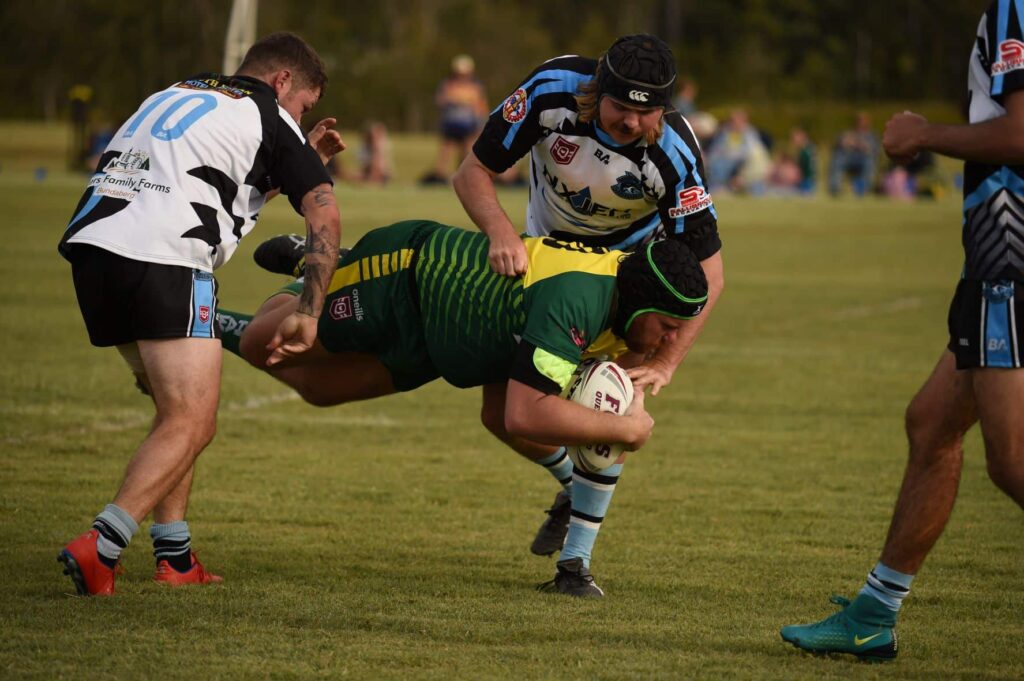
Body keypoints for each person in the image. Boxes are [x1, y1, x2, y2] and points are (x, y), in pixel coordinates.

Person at [219, 219, 709, 597]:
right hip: (403, 278)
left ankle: (573, 565)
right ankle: (310, 270)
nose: (671, 342)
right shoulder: (579, 299)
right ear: (642, 304)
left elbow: (585, 430)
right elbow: (528, 415)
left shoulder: (630, 322)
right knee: (267, 341)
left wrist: (576, 566)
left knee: (319, 391)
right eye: (668, 326)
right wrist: (628, 430)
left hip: (446, 340)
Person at [55, 32, 344, 596]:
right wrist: (309, 312)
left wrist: (297, 154)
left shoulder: (177, 90)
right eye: (303, 104)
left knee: (173, 411)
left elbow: (216, 172)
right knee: (193, 419)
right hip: (163, 259)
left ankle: (176, 556)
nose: (299, 115)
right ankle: (102, 546)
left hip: (93, 251)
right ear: (282, 81)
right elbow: (325, 219)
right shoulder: (270, 114)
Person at [781, 0, 1024, 661]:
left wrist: (923, 134)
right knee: (932, 424)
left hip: (1011, 258)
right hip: (993, 260)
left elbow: (1020, 134)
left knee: (1012, 460)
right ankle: (874, 612)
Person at [450, 34, 723, 593]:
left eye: (646, 113)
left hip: (628, 284)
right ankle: (572, 484)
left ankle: (574, 567)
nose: (631, 123)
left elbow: (710, 272)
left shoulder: (673, 152)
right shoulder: (551, 92)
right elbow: (471, 171)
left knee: (610, 400)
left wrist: (666, 361)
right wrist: (501, 232)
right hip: (542, 259)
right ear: (598, 89)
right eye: (622, 107)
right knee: (501, 413)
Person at [425, 54, 488, 183]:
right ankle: (439, 178)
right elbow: (440, 101)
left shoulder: (475, 87)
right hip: (451, 124)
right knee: (446, 152)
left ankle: (463, 178)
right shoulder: (448, 84)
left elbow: (481, 106)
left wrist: (480, 122)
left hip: (468, 125)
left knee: (466, 152)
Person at [705, 108, 771, 194]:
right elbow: (715, 151)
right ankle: (719, 188)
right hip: (725, 163)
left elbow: (751, 152)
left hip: (744, 165)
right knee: (717, 164)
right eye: (732, 120)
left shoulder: (749, 133)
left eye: (737, 120)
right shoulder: (725, 133)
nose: (734, 123)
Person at [828, 111, 879, 196]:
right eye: (859, 120)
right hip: (848, 159)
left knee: (869, 162)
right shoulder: (848, 133)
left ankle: (862, 190)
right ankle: (834, 188)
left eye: (863, 120)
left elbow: (874, 150)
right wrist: (846, 142)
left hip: (863, 161)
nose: (861, 123)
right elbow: (839, 143)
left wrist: (861, 145)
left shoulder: (872, 136)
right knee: (837, 158)